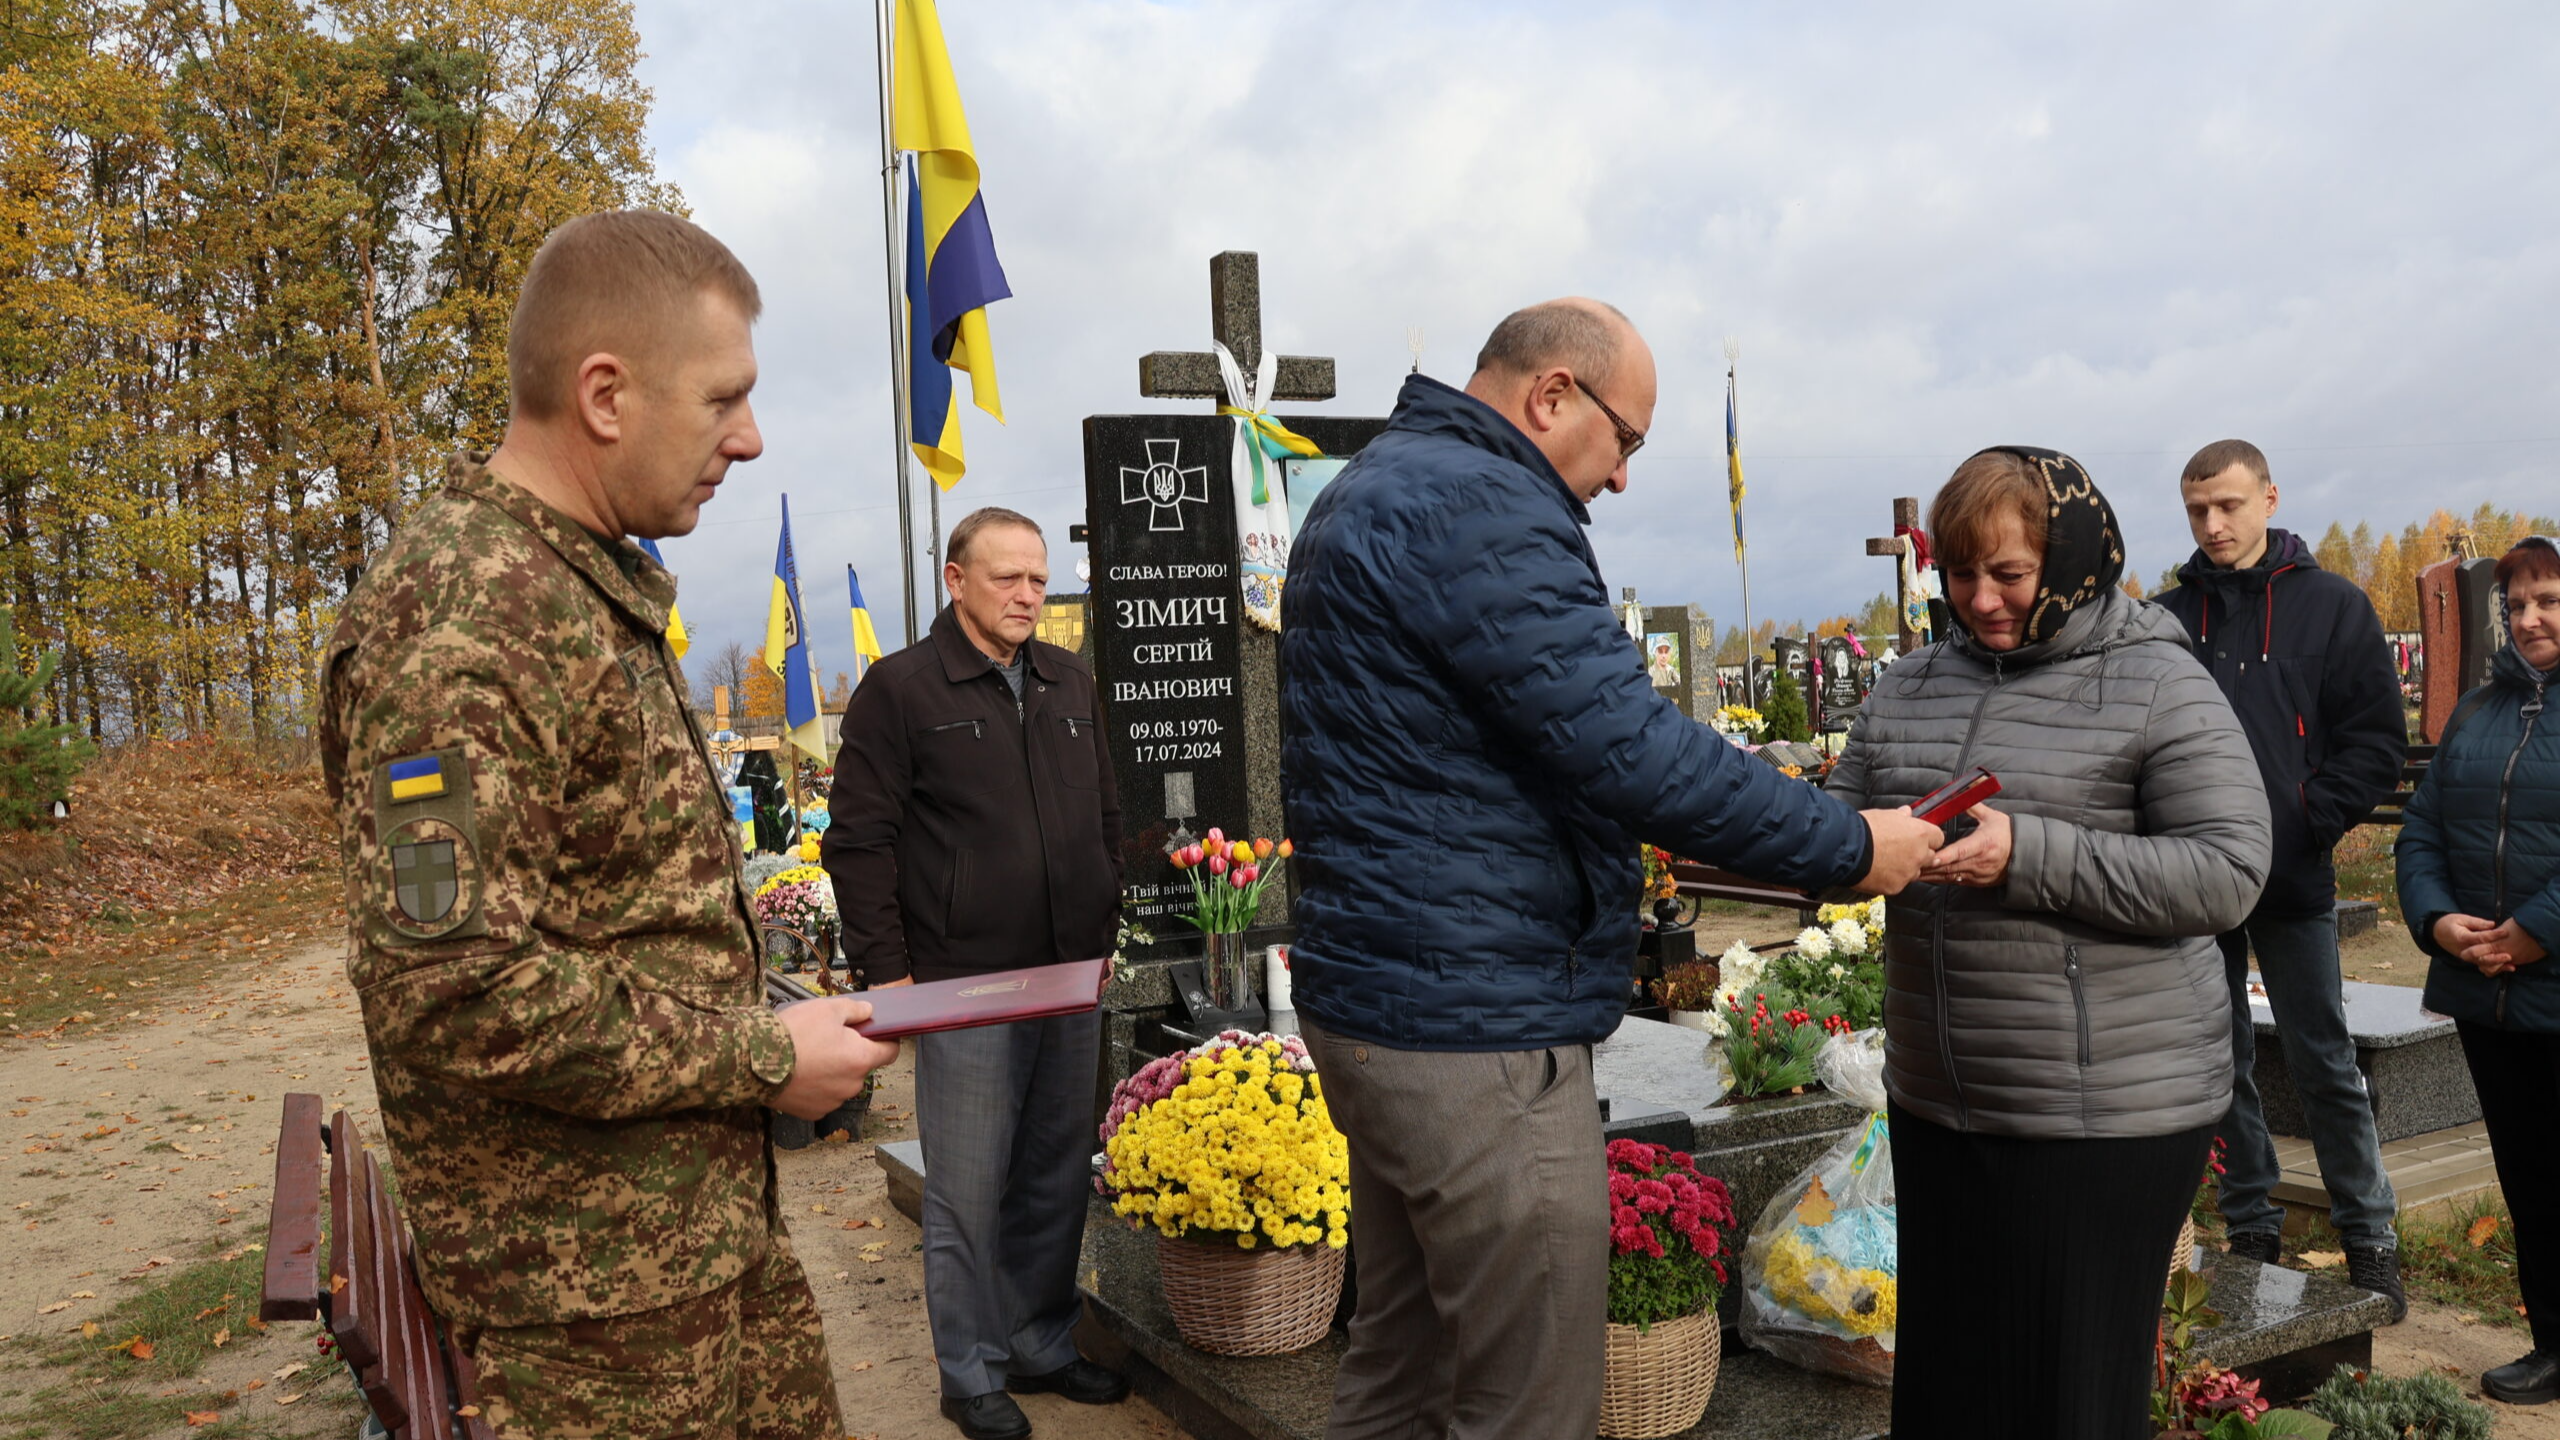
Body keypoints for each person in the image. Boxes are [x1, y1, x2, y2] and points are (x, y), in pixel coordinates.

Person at [1278, 298, 1944, 1440]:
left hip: (1385, 1000)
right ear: (1552, 395)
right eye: (1626, 439)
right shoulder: (1482, 505)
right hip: (1475, 1024)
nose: (1623, 477)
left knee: (1403, 1368)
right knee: (1529, 1400)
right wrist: (1853, 847)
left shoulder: (1373, 485)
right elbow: (1633, 753)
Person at [318, 211, 900, 1439]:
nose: (749, 437)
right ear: (603, 394)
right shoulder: (470, 616)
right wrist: (761, 1057)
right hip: (589, 1324)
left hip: (680, 1254)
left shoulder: (571, 583)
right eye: (723, 399)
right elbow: (452, 990)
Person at [1828, 447, 2271, 1440]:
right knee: (1947, 1391)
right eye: (1959, 574)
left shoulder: (2155, 680)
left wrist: (2028, 854)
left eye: (2010, 574)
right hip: (1942, 1102)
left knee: (2066, 1398)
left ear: (2070, 561)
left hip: (2103, 1115)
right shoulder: (1909, 686)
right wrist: (1841, 853)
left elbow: (2228, 870)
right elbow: (1837, 827)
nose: (1981, 600)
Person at [824, 507, 1128, 1440]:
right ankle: (970, 1372)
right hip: (965, 987)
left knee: (1055, 1175)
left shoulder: (1070, 680)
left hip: (1068, 978)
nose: (1028, 595)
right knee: (966, 1187)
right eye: (1008, 578)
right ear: (956, 580)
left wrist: (1105, 920)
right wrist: (889, 976)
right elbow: (859, 843)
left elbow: (1106, 815)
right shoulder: (901, 689)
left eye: (1038, 578)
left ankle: (1039, 1342)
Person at [2156, 439, 2411, 1316]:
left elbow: (2374, 740)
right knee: (2218, 1057)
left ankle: (2368, 1236)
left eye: (2228, 505)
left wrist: (2306, 820)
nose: (2212, 524)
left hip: (2291, 875)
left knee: (2323, 1059)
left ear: (2269, 498)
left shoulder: (2333, 608)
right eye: (2197, 510)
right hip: (2192, 877)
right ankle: (2252, 1224)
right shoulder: (2167, 619)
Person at [2394, 534, 2560, 1405]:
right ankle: (2553, 1343)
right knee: (2530, 1177)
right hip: (2489, 993)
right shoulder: (2476, 711)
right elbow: (2423, 827)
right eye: (2517, 604)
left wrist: (2539, 929)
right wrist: (2436, 921)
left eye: (2549, 601)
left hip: (2551, 977)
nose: (2529, 620)